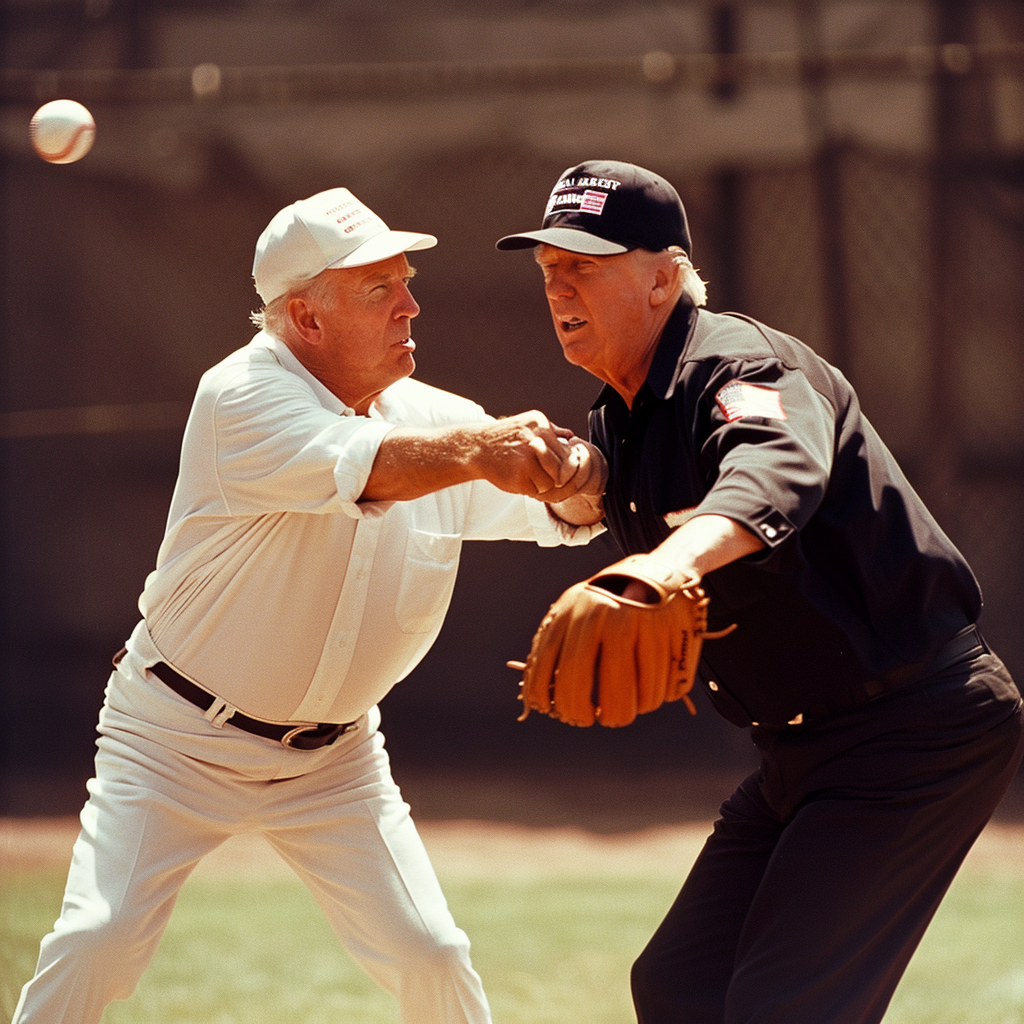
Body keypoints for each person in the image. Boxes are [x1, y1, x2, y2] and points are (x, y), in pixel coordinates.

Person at [13, 187, 606, 1024]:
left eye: (404, 280)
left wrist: (578, 483)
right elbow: (378, 466)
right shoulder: (240, 397)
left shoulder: (434, 419)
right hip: (176, 739)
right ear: (306, 318)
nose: (412, 304)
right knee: (96, 944)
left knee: (432, 954)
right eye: (379, 290)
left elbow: (552, 510)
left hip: (335, 763)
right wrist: (489, 449)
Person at [496, 159, 1024, 1024]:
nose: (558, 284)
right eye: (548, 266)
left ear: (664, 276)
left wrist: (662, 566)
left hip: (915, 733)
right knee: (676, 986)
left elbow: (772, 474)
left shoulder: (738, 364)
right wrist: (577, 483)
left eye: (584, 264)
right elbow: (616, 493)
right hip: (802, 751)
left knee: (781, 1008)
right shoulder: (621, 413)